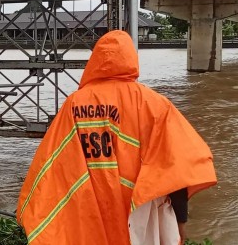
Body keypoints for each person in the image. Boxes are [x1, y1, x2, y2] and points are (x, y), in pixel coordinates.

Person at [16, 30, 217, 245]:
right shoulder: (154, 104)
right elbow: (177, 169)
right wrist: (180, 221)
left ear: (96, 60)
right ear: (131, 59)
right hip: (139, 210)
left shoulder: (73, 104)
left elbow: (51, 165)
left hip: (87, 210)